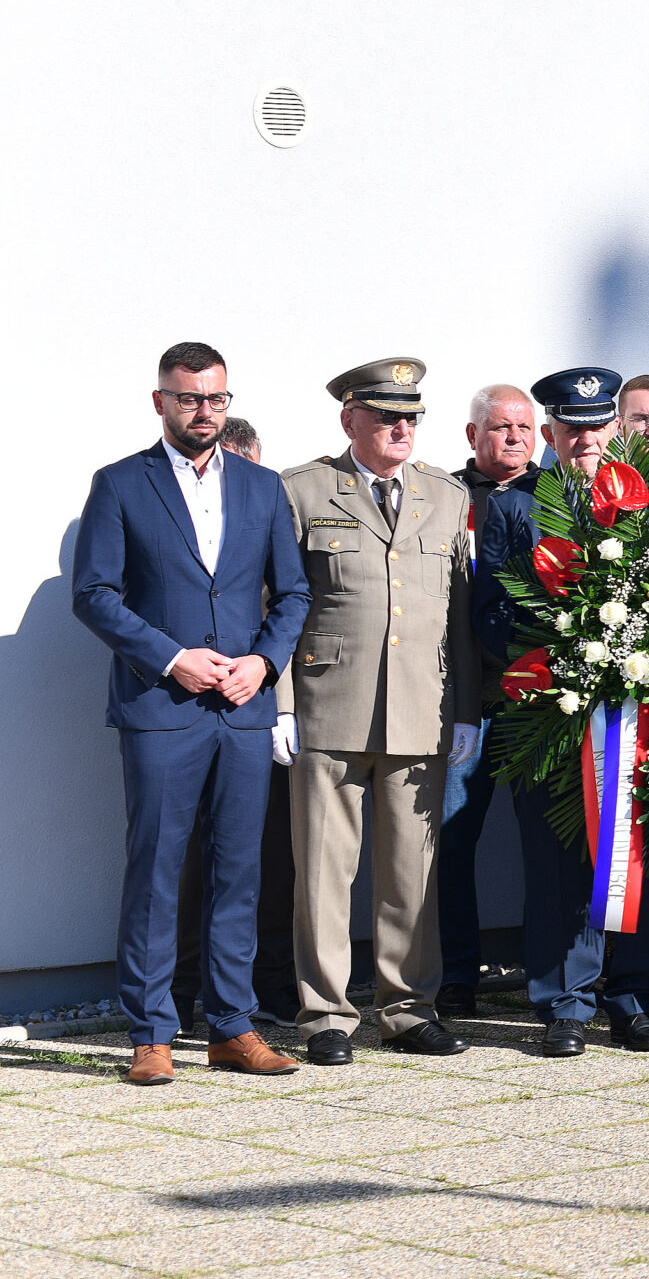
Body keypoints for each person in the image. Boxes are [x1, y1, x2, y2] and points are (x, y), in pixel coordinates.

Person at [73, 341, 308, 1085]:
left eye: (215, 399)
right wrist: (173, 656)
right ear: (160, 402)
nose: (203, 411)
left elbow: (295, 593)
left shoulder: (263, 487)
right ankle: (151, 1030)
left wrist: (263, 662)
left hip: (241, 708)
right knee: (158, 867)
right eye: (188, 398)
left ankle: (231, 1025)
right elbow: (95, 594)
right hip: (161, 705)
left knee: (239, 869)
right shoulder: (118, 484)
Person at [273, 360, 478, 1064]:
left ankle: (407, 1008)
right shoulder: (302, 491)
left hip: (422, 707)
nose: (402, 428)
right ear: (349, 419)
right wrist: (280, 703)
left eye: (412, 417)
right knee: (326, 870)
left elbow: (460, 617)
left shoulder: (445, 495)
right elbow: (274, 605)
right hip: (330, 707)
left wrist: (468, 710)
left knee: (409, 873)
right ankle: (326, 1013)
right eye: (387, 416)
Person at [474, 366, 649, 1057]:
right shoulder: (514, 506)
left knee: (632, 849)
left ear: (614, 428)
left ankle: (634, 996)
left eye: (597, 425)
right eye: (572, 426)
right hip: (550, 706)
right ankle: (564, 1000)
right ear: (552, 433)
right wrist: (564, 650)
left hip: (635, 708)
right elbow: (490, 612)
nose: (585, 438)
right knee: (556, 858)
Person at [172, 415, 299, 1034]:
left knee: (264, 862)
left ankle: (264, 987)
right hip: (191, 704)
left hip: (258, 705)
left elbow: (293, 604)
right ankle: (183, 990)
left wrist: (276, 691)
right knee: (193, 861)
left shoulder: (267, 501)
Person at [439, 381, 540, 1018]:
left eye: (525, 430)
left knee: (549, 844)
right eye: (501, 428)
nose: (514, 439)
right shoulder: (444, 497)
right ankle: (454, 974)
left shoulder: (555, 496)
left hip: (536, 701)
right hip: (464, 703)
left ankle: (550, 972)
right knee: (449, 840)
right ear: (472, 435)